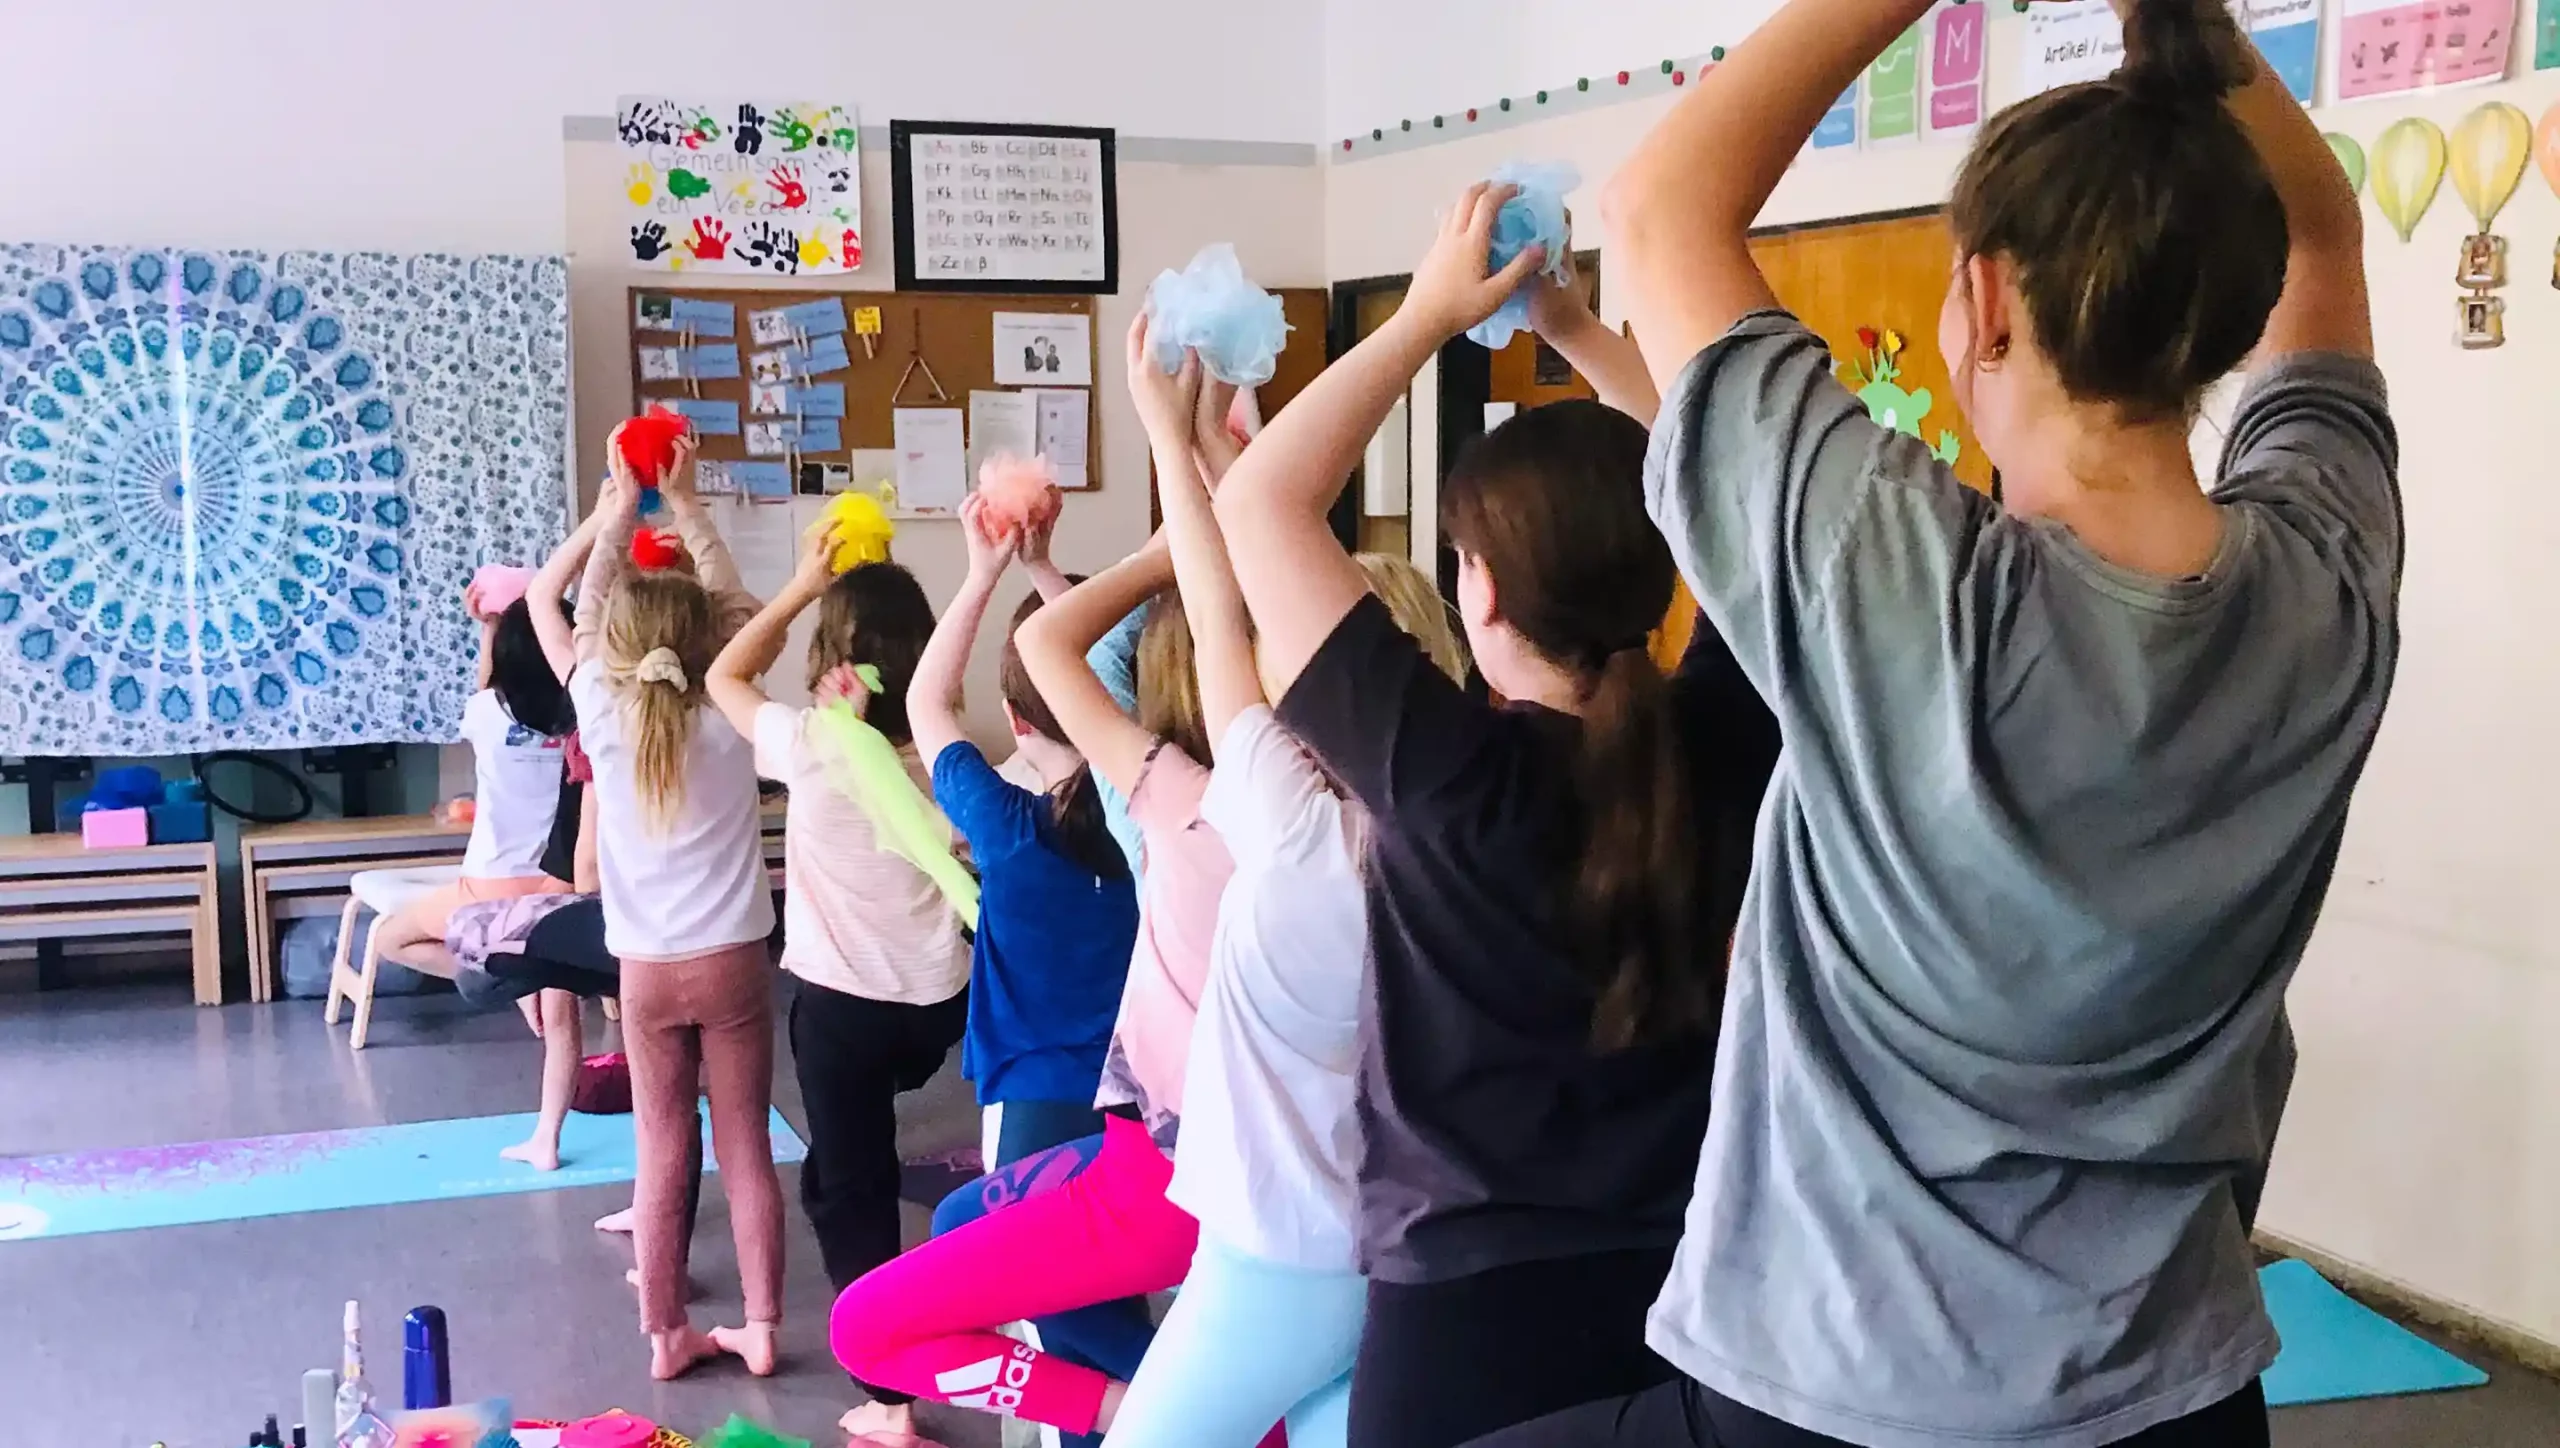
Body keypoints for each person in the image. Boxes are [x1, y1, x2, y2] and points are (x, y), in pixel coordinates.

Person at [1475, 0, 2394, 1438]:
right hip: (2178, 1399)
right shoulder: (2325, 581)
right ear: (2218, 318)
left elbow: (1658, 207)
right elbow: (2327, 242)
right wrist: (2192, 32)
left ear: (1984, 304)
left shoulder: (1895, 584)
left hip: (1847, 1399)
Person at [1206, 202, 1781, 1448]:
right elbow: (1723, 469)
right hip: (1686, 1295)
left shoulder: (1446, 769)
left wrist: (1428, 317)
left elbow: (1261, 503)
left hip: (1462, 1315)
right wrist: (1567, 323)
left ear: (1480, 589)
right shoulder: (1720, 737)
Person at [1104, 316, 1471, 1448]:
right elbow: (1251, 618)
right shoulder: (1470, 825)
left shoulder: (1293, 824)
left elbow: (1222, 620)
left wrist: (1174, 441)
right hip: (1391, 1250)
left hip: (1276, 1263)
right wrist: (1227, 461)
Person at [831, 492, 1141, 1442]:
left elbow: (926, 702)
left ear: (1014, 713)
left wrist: (983, 571)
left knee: (1073, 1316)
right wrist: (1048, 576)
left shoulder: (1012, 829)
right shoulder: (1151, 805)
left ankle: (1181, 1417)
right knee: (1098, 1303)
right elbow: (1109, 689)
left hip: (1046, 1107)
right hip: (1142, 1100)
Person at [527, 427, 784, 1382]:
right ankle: (760, 1329)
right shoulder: (729, 708)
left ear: (620, 647)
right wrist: (687, 506)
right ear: (709, 637)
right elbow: (752, 617)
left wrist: (613, 510)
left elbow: (568, 612)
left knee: (663, 1142)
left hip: (644, 969)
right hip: (732, 962)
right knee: (748, 1143)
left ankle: (667, 1333)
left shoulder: (600, 700)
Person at [705, 536, 973, 1423]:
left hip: (846, 1013)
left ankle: (887, 1395)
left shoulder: (814, 742)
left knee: (846, 1182)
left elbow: (724, 679)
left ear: (832, 657)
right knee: (878, 1135)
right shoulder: (952, 752)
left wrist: (800, 586)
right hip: (940, 1008)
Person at [369, 595, 571, 984]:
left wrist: (489, 626)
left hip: (490, 887)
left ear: (505, 655)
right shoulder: (586, 716)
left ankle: (508, 980)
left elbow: (486, 690)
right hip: (565, 884)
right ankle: (530, 978)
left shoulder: (485, 713)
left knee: (389, 939)